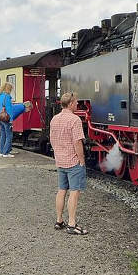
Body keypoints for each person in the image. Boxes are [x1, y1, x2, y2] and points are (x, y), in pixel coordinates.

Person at [49, 92, 88, 235]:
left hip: (60, 160)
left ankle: (59, 220)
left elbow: (52, 139)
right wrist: (81, 159)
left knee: (61, 190)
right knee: (74, 192)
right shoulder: (75, 120)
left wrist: (58, 154)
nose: (77, 104)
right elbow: (77, 142)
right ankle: (72, 224)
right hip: (72, 161)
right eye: (76, 102)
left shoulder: (54, 119)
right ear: (71, 104)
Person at [0, 82, 32, 158]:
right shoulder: (7, 97)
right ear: (9, 89)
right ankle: (6, 153)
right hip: (6, 118)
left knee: (3, 135)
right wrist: (11, 121)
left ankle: (1, 152)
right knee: (9, 136)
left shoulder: (0, 96)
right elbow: (9, 110)